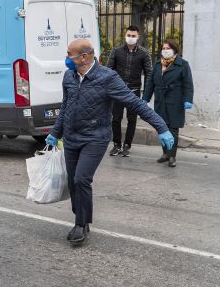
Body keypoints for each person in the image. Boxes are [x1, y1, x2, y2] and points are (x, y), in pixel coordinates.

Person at [45, 39, 174, 246]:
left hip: (95, 138)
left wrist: (161, 127)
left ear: (84, 56)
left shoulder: (108, 78)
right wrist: (55, 133)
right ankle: (81, 218)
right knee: (72, 182)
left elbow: (134, 103)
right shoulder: (69, 76)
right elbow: (66, 106)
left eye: (70, 54)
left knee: (81, 179)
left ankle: (81, 224)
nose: (66, 58)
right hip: (71, 137)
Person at [142, 39, 194, 168]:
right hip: (160, 101)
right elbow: (151, 83)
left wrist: (188, 99)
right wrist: (145, 98)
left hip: (175, 101)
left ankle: (172, 156)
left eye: (168, 48)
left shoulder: (183, 64)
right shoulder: (158, 64)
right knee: (161, 127)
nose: (165, 51)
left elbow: (188, 84)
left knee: (173, 129)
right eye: (163, 48)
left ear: (174, 50)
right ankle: (165, 153)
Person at [106, 25, 153, 157]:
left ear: (138, 37)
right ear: (125, 35)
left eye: (133, 36)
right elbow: (109, 70)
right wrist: (110, 88)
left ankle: (127, 145)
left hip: (134, 90)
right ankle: (116, 144)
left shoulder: (143, 53)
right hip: (118, 91)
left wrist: (146, 94)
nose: (130, 38)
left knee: (132, 119)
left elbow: (149, 73)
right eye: (129, 35)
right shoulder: (116, 51)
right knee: (116, 118)